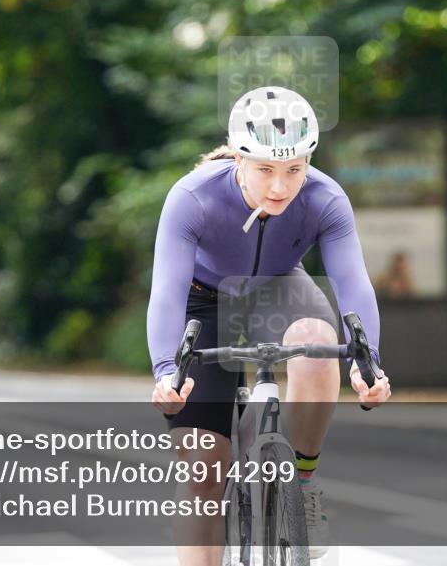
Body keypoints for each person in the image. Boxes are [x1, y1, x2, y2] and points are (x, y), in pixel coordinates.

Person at [148, 86, 392, 565]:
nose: (280, 187)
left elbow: (353, 283)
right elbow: (167, 292)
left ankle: (303, 483)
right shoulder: (192, 197)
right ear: (238, 158)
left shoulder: (325, 198)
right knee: (203, 469)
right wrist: (165, 372)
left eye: (294, 170)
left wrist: (369, 363)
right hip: (203, 301)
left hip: (278, 287)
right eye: (265, 170)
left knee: (317, 343)